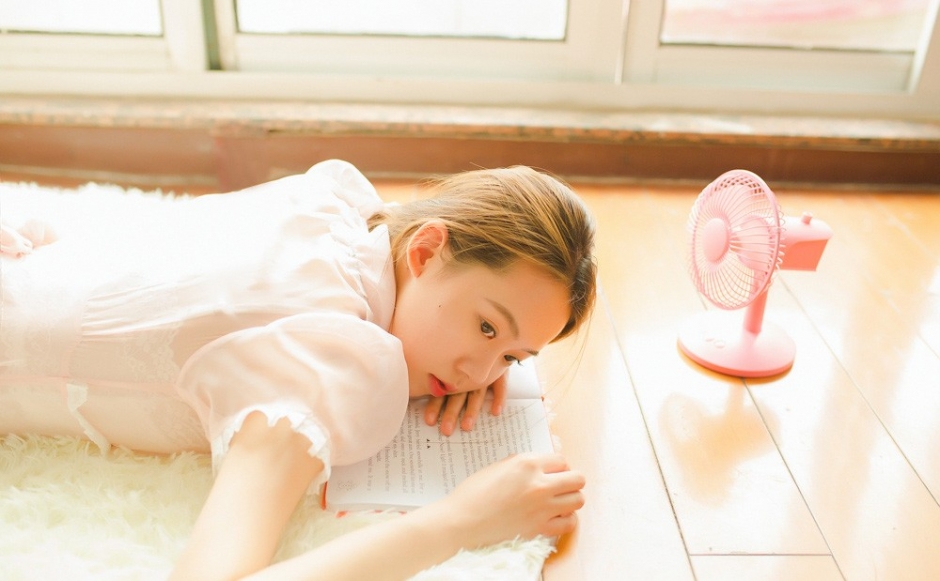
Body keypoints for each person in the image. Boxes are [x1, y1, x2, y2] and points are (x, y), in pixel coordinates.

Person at [0, 159, 596, 580]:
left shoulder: (337, 215)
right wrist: (463, 521)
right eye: (487, 327)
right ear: (423, 251)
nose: (477, 373)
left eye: (513, 358)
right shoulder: (331, 360)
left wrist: (484, 340)